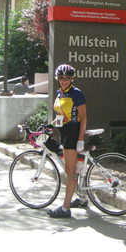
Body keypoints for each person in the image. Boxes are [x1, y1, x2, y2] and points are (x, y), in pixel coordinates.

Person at [47, 64, 87, 218]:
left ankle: (65, 209)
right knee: (72, 170)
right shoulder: (59, 93)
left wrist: (80, 140)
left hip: (73, 133)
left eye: (67, 78)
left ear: (72, 78)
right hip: (63, 132)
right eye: (62, 78)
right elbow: (60, 116)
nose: (64, 80)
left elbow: (83, 117)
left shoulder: (76, 94)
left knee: (70, 173)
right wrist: (49, 126)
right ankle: (81, 198)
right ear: (58, 78)